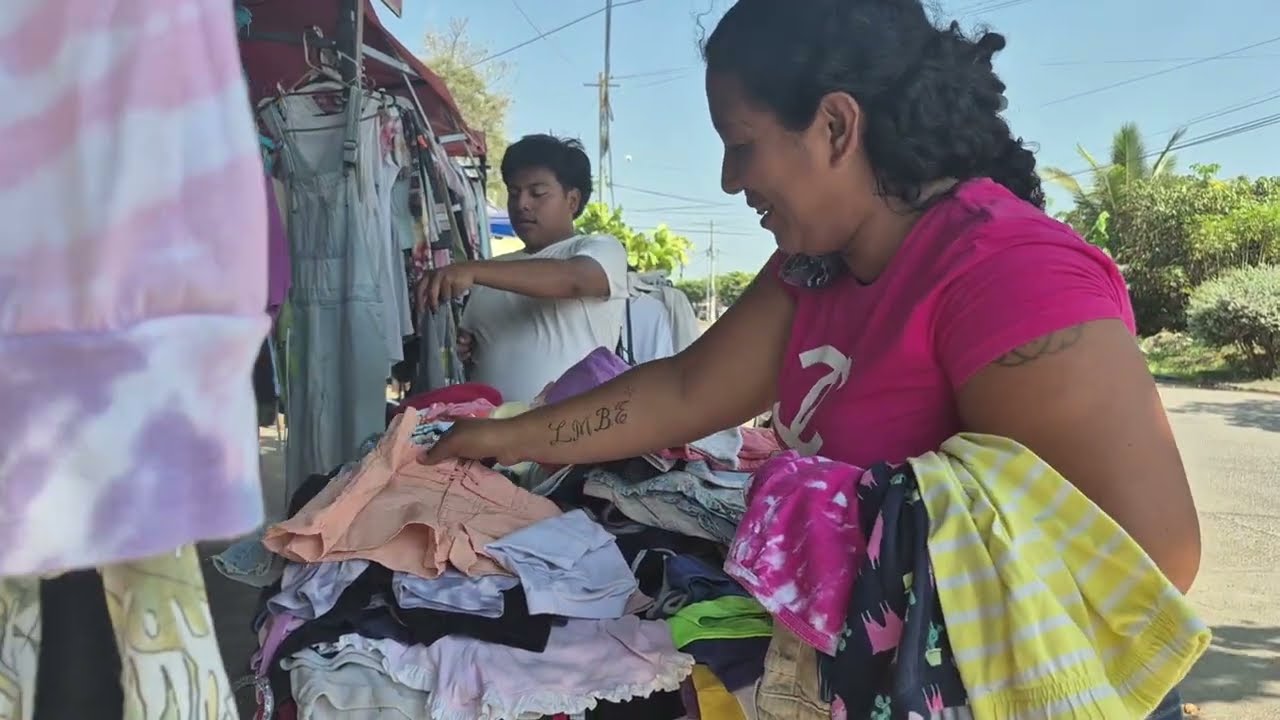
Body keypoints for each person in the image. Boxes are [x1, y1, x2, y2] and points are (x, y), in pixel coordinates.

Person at [424, 1, 1199, 716]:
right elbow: (686, 390)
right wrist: (497, 438)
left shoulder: (1005, 274)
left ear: (835, 125)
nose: (730, 181)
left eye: (741, 146)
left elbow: (1149, 558)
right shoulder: (815, 269)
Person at [417, 134, 629, 402]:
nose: (522, 204)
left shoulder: (599, 249)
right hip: (491, 434)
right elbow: (476, 347)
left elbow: (575, 279)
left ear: (572, 200)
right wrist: (463, 349)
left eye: (537, 193)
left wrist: (472, 270)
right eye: (514, 193)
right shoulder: (491, 273)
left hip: (572, 436)